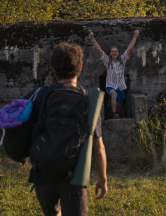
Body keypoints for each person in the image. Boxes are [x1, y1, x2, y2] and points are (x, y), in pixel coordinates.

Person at [23, 42, 107, 216]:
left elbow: (22, 129)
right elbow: (98, 149)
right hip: (73, 176)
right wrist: (103, 179)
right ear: (80, 67)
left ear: (53, 68)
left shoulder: (38, 95)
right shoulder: (88, 101)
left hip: (42, 173)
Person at [88, 30, 140, 118]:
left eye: (116, 51)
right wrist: (92, 38)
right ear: (110, 53)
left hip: (121, 86)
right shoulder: (107, 61)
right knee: (113, 94)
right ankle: (113, 113)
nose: (114, 53)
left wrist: (135, 35)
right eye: (112, 51)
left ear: (118, 53)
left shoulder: (122, 60)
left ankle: (117, 114)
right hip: (110, 85)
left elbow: (130, 48)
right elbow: (99, 49)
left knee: (119, 108)